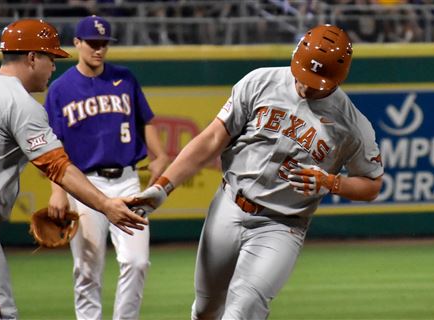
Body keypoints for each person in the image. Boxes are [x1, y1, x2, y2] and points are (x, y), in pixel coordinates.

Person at [131, 24, 384, 319]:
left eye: (317, 81)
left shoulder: (352, 124)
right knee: (205, 310)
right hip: (228, 205)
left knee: (243, 309)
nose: (306, 84)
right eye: (303, 73)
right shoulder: (260, 81)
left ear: (337, 78)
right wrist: (163, 186)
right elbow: (212, 139)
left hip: (282, 224)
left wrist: (332, 182)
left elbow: (372, 185)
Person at [0, 18, 148, 320]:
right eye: (50, 57)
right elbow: (58, 166)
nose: (53, 66)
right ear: (31, 57)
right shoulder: (18, 101)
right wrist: (105, 205)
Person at [43, 15, 170, 320]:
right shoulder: (60, 89)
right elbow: (52, 147)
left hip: (127, 182)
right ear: (76, 43)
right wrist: (58, 192)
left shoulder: (125, 78)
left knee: (137, 262)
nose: (98, 50)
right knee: (87, 269)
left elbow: (145, 121)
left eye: (104, 44)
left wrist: (160, 156)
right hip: (84, 185)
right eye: (92, 43)